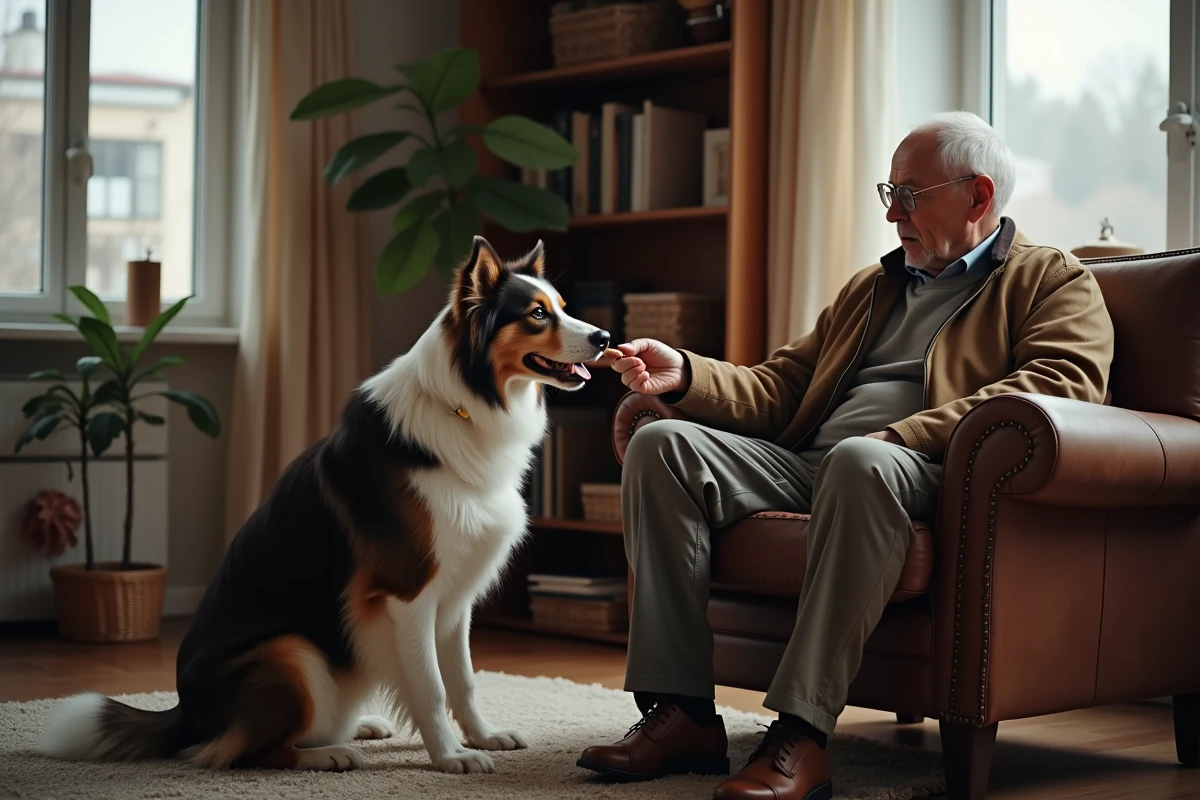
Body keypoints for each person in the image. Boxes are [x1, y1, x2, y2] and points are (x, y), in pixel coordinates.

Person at [575, 111, 1115, 799]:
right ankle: (682, 713)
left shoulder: (1051, 282)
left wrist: (901, 437)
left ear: (978, 196)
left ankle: (802, 733)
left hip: (919, 472)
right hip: (815, 465)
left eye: (910, 195)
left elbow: (1059, 385)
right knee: (661, 444)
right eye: (888, 194)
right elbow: (780, 387)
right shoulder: (873, 287)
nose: (894, 216)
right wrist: (682, 371)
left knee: (862, 462)